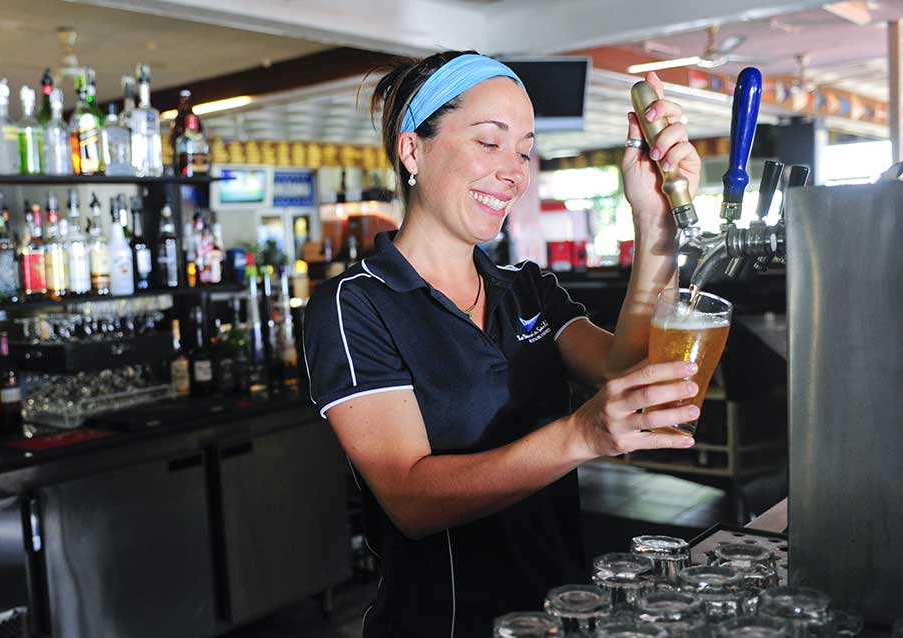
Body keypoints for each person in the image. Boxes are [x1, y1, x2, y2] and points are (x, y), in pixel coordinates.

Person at [301, 51, 703, 636]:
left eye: (523, 150)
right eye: (489, 143)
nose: (515, 170)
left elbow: (629, 371)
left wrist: (655, 221)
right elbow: (411, 501)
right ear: (413, 150)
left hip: (563, 613)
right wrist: (580, 435)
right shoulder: (355, 305)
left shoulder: (526, 289)